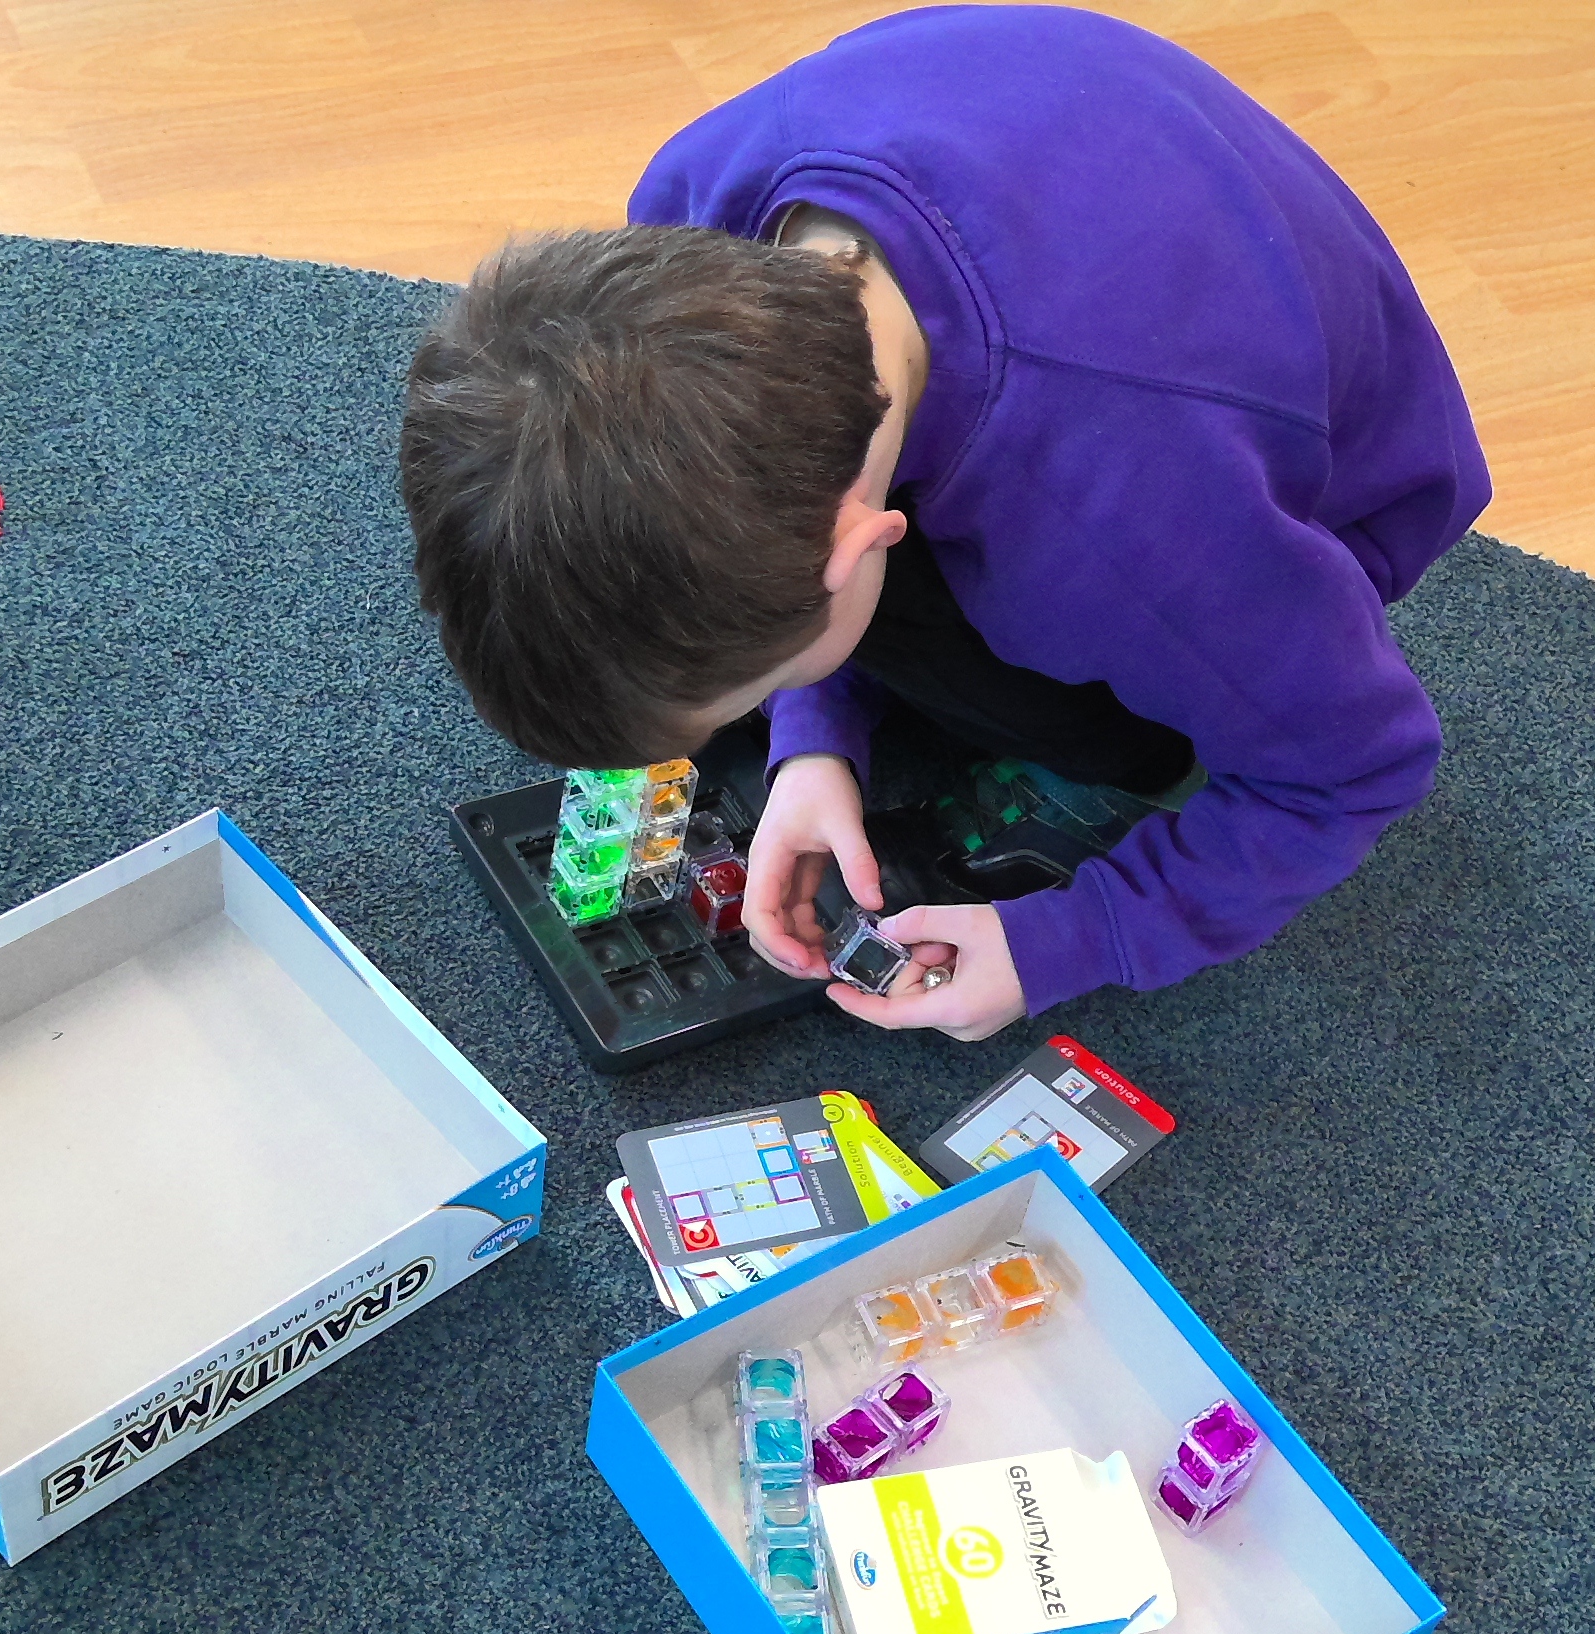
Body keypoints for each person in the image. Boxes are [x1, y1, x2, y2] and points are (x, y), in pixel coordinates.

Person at [400, 5, 1488, 1039]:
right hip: (1080, 183)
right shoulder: (692, 207)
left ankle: (1113, 758)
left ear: (860, 549)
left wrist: (1069, 938)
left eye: (761, 685)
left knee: (1093, 711)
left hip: (1314, 480)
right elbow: (784, 520)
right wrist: (811, 738)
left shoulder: (1119, 529)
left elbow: (1358, 766)